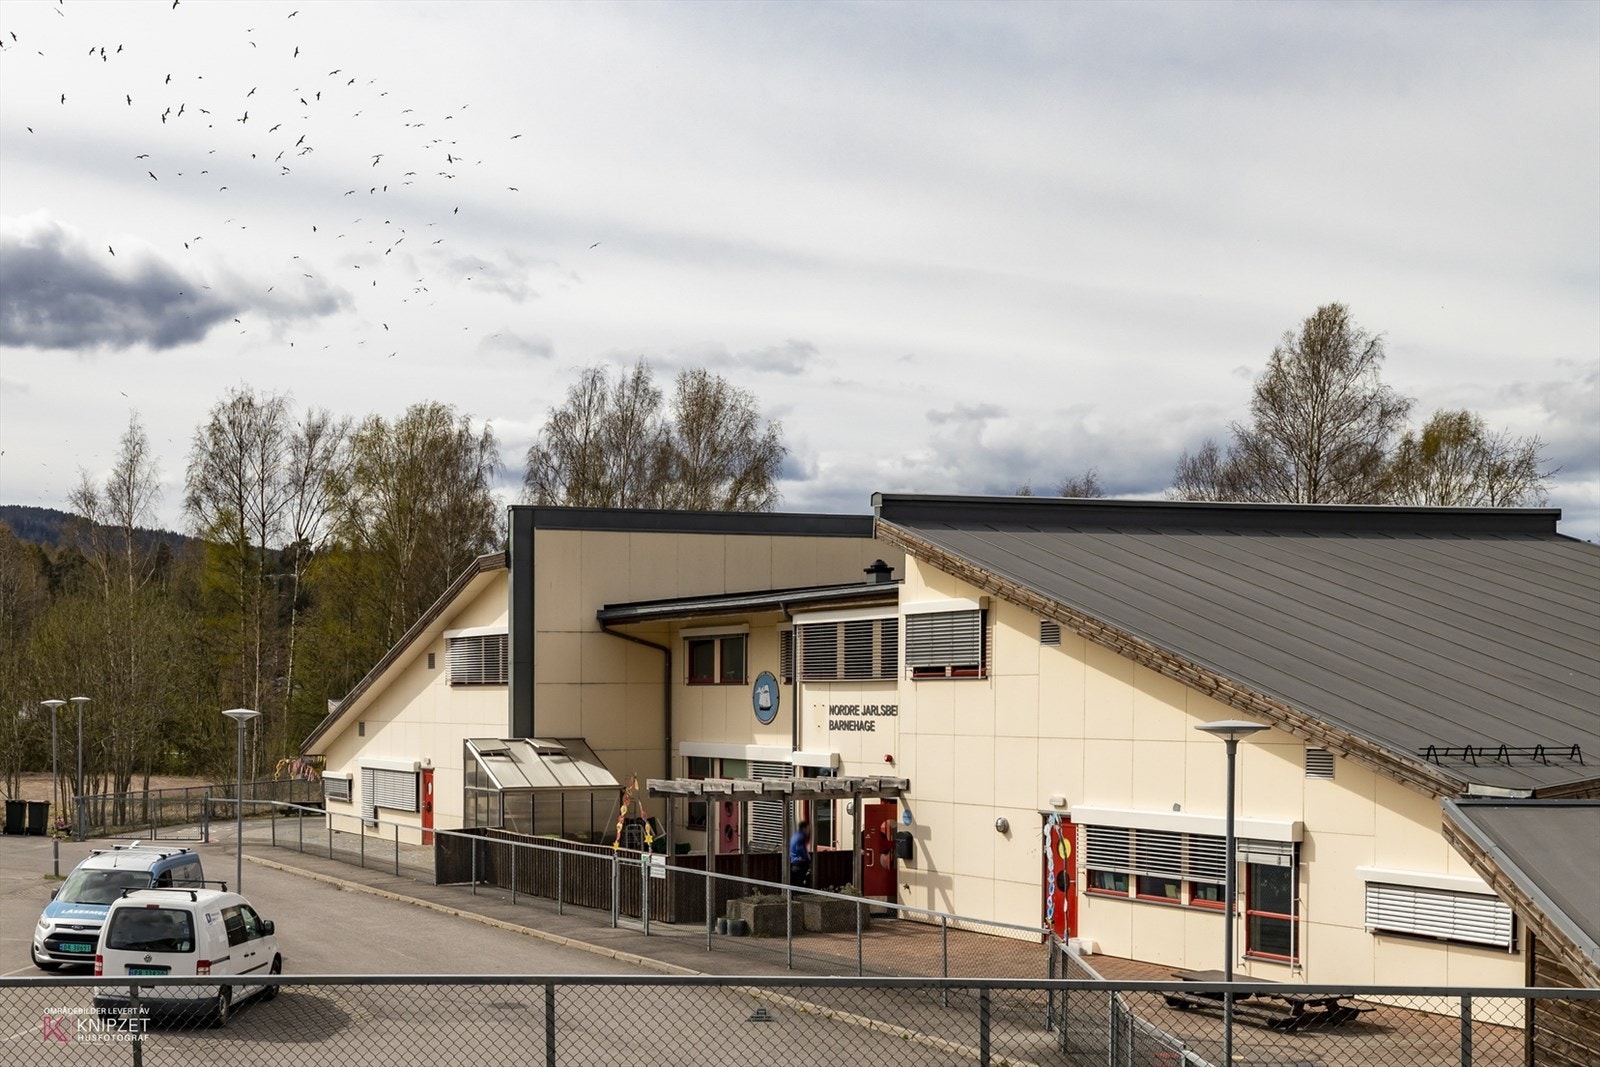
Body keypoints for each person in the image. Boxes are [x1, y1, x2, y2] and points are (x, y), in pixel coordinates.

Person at [788, 820, 812, 888]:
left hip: (793, 861)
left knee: (795, 882)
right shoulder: (801, 836)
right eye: (808, 829)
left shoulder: (795, 836)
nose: (809, 831)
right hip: (800, 862)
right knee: (800, 882)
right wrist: (807, 858)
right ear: (804, 828)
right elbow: (800, 848)